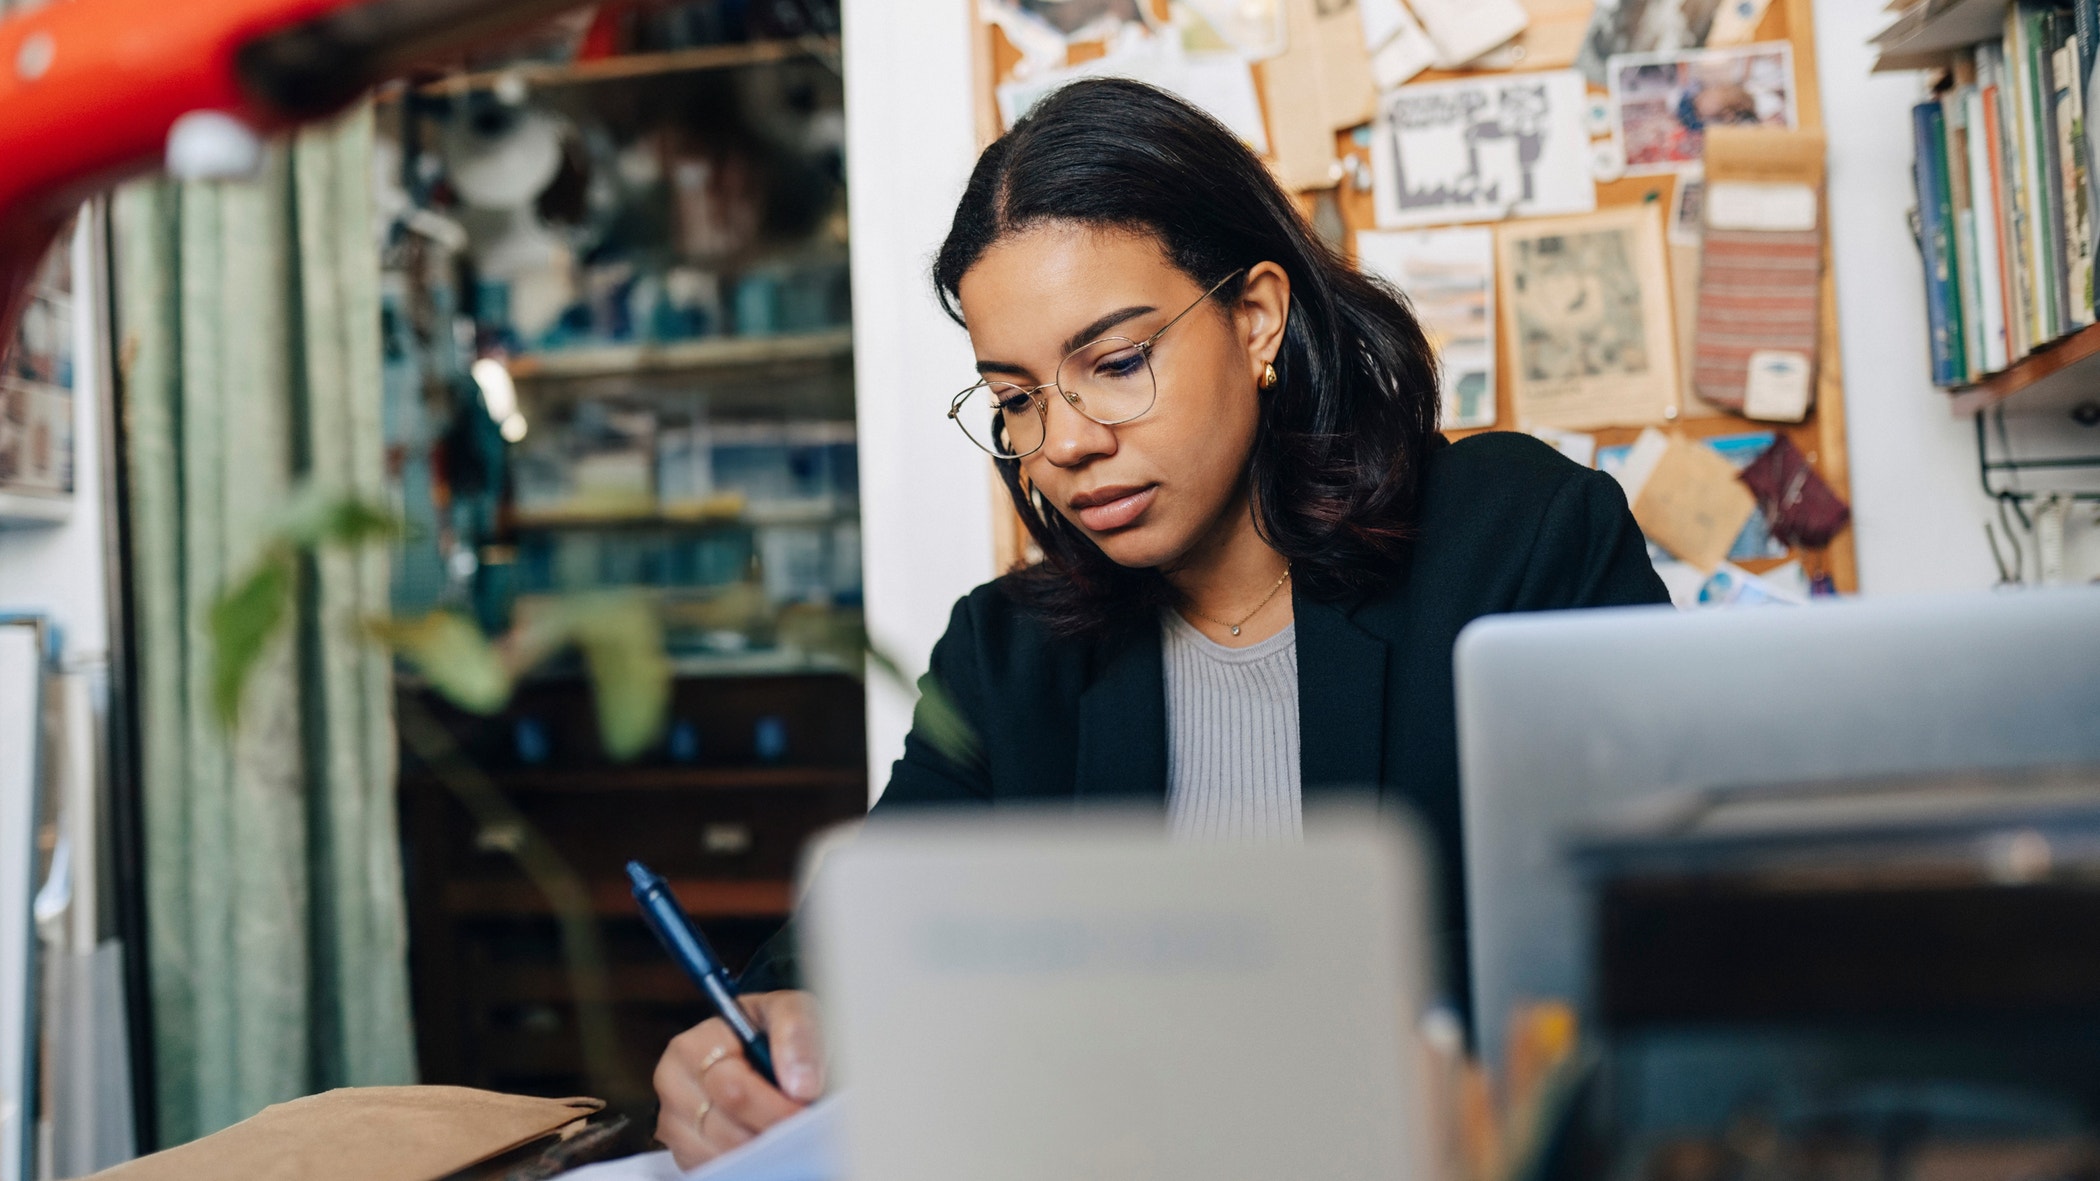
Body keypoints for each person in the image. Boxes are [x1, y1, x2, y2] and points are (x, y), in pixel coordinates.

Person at [650, 76, 1668, 1167]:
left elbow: (1672, 939)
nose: (1064, 442)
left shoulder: (1514, 539)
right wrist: (757, 1044)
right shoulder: (1009, 656)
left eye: (1116, 362)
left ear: (1257, 318)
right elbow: (847, 955)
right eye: (1016, 397)